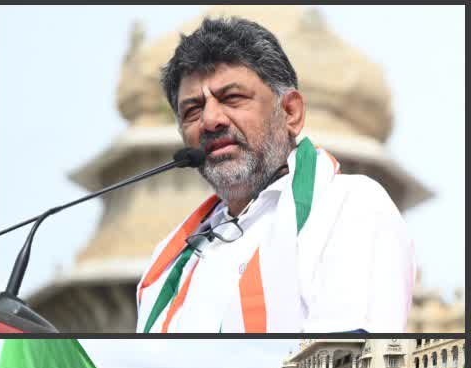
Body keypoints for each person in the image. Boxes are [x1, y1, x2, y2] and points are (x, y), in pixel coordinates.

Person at [137, 17, 414, 333]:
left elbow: (343, 357)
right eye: (192, 110)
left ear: (291, 113)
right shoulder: (170, 261)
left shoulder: (349, 207)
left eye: (232, 98)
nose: (211, 120)